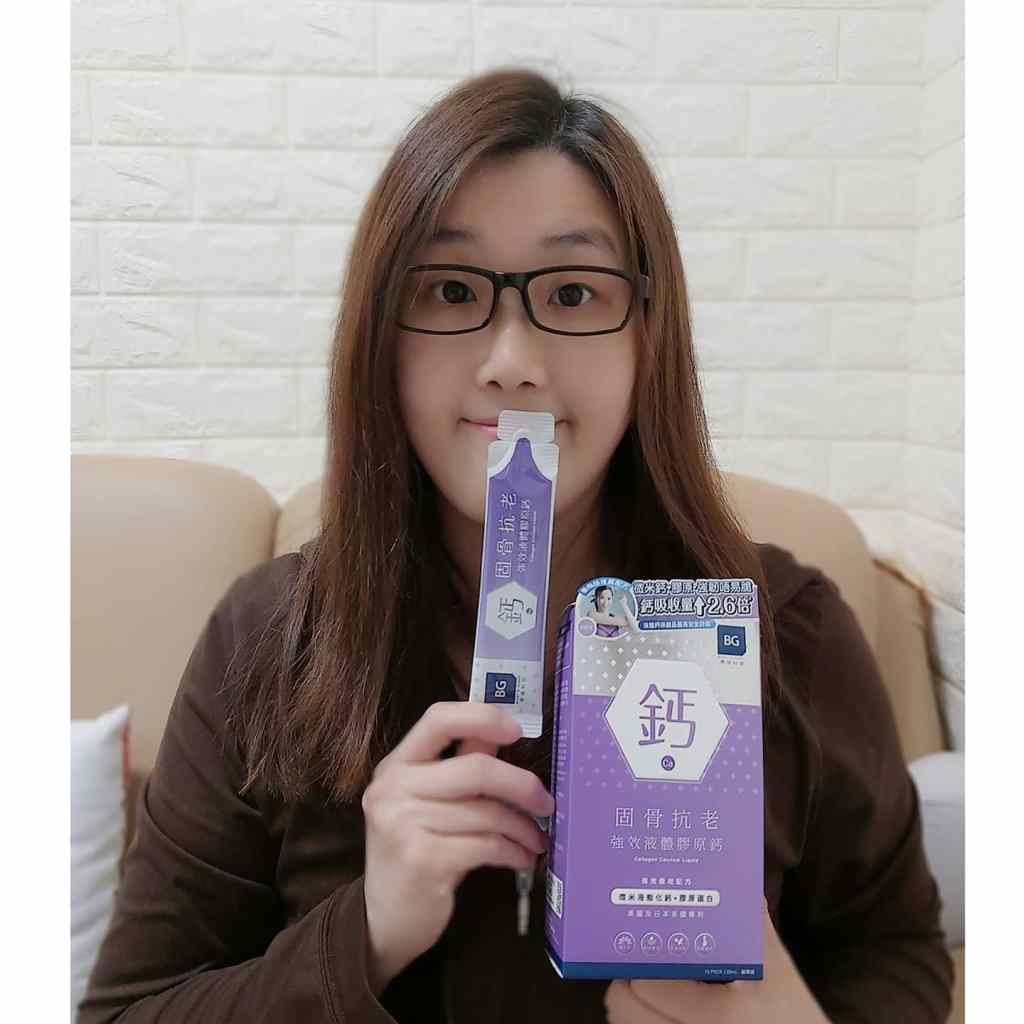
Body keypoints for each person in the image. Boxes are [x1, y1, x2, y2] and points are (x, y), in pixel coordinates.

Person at [79, 68, 953, 1024]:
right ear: (381, 337)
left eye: (572, 292)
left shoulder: (788, 630)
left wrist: (784, 1015)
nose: (512, 363)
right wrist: (367, 932)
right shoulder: (272, 639)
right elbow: (127, 1011)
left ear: (649, 332)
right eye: (452, 289)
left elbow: (896, 952)